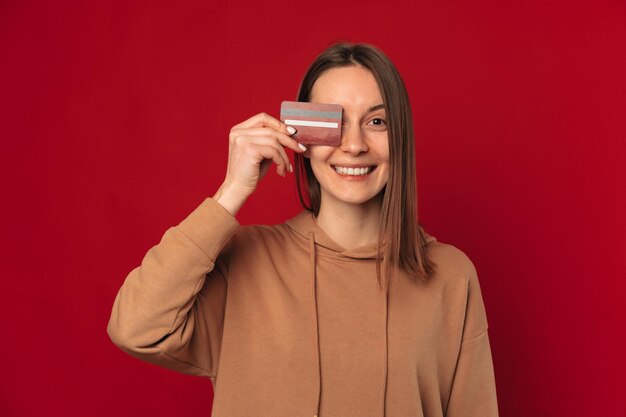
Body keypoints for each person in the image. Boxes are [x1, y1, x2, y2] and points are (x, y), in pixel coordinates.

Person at [107, 42, 499, 417]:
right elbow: (135, 328)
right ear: (301, 135)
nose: (354, 145)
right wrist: (232, 191)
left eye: (376, 121)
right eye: (335, 121)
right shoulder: (244, 262)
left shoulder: (450, 276)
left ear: (401, 137)